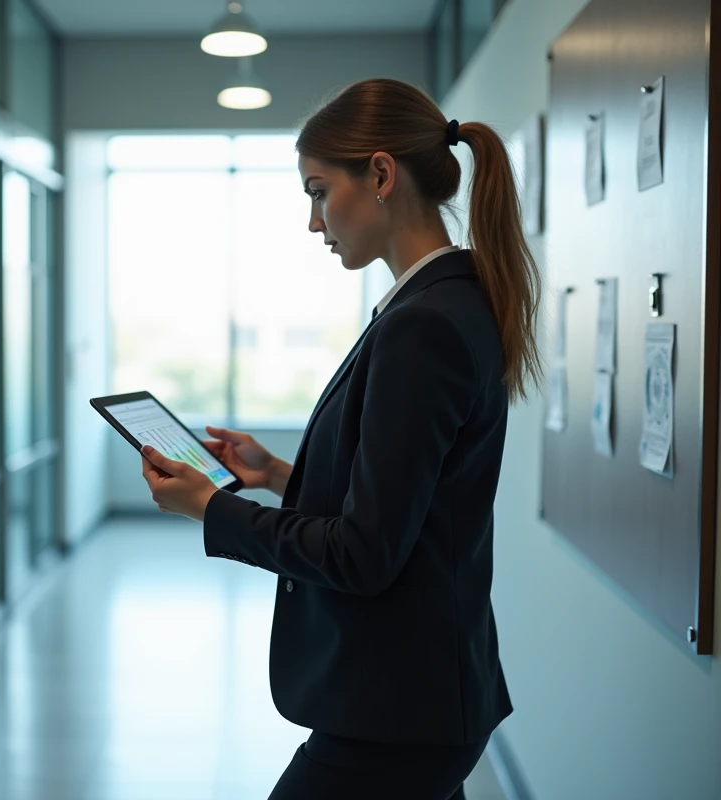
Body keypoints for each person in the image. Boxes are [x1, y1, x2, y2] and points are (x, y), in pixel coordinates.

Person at [138, 77, 541, 799]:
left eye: (319, 192)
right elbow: (401, 508)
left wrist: (212, 508)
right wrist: (277, 474)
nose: (315, 222)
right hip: (422, 699)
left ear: (381, 175)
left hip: (395, 711)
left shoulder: (424, 325)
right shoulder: (445, 301)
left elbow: (363, 555)